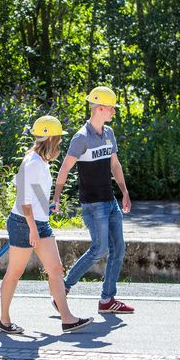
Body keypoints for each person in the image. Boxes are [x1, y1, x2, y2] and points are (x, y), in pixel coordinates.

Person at [0, 115, 94, 334]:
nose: (60, 143)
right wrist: (32, 227)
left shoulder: (41, 162)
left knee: (55, 269)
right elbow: (23, 199)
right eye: (58, 139)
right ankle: (4, 320)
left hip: (39, 222)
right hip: (24, 224)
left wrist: (48, 206)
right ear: (50, 138)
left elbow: (34, 195)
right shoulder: (31, 162)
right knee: (15, 272)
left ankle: (67, 318)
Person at [52, 86, 134, 314]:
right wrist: (56, 197)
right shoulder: (81, 138)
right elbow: (65, 168)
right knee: (100, 249)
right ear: (99, 108)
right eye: (111, 108)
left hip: (110, 202)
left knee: (119, 249)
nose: (113, 112)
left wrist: (124, 191)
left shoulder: (109, 134)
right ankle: (63, 289)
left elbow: (115, 165)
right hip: (92, 204)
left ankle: (107, 300)